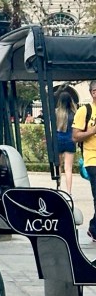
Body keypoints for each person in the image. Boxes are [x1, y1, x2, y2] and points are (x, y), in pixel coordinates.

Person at [72, 81, 96, 239]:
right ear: (92, 92)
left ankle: (94, 227)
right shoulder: (84, 111)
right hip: (92, 158)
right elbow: (75, 136)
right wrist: (92, 131)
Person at [55, 87, 79, 195]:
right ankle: (69, 192)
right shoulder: (74, 114)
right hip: (70, 140)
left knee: (58, 166)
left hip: (58, 140)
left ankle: (58, 189)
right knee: (68, 169)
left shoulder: (56, 113)